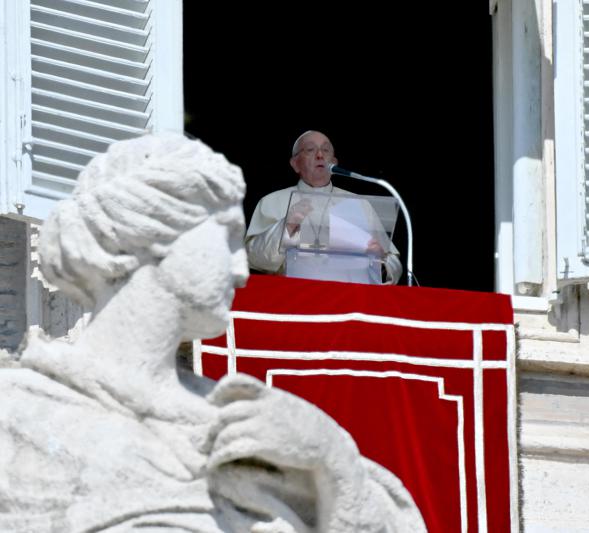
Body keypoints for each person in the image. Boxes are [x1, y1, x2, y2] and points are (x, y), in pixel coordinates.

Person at [0, 133, 425, 532]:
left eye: (326, 149)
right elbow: (264, 257)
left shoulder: (255, 423)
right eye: (224, 238)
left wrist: (334, 463)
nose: (239, 270)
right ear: (146, 236)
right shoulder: (18, 413)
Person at [245, 130, 403, 284]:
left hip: (349, 302)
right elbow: (252, 258)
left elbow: (393, 264)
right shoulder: (271, 201)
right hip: (293, 300)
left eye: (325, 150)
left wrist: (379, 262)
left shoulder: (359, 204)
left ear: (333, 162)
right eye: (310, 150)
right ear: (295, 164)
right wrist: (286, 227)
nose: (320, 155)